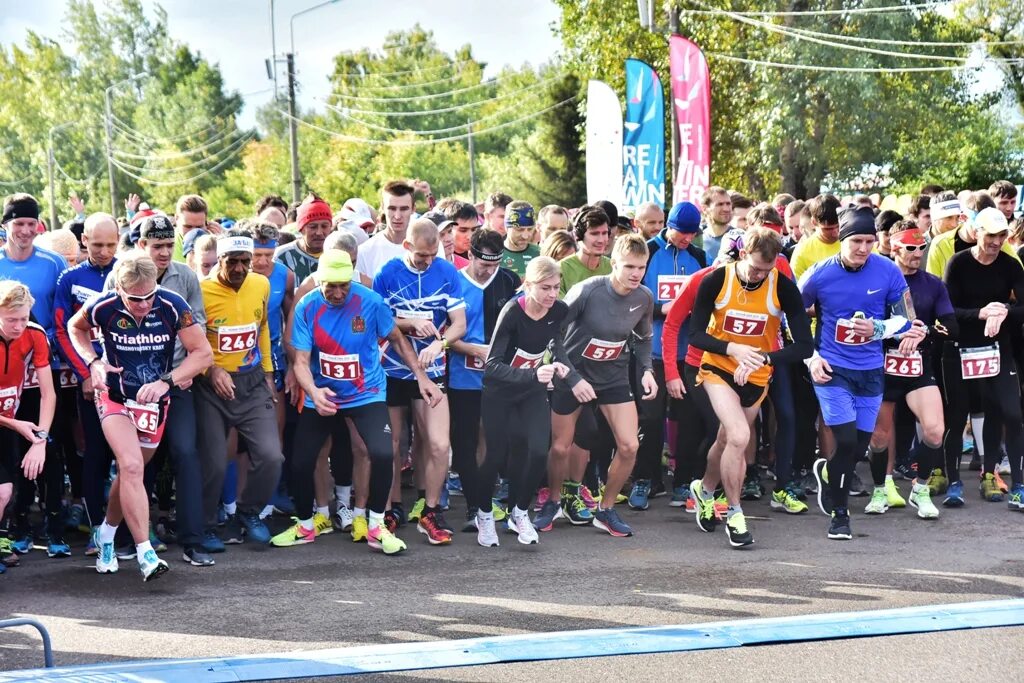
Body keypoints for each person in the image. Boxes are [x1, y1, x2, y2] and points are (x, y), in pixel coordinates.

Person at [276, 250, 440, 553]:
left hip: (366, 393)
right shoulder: (307, 306)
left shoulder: (370, 301)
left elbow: (397, 339)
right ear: (319, 281)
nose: (338, 293)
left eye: (344, 285)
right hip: (323, 394)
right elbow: (300, 360)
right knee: (300, 461)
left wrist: (421, 377)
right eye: (331, 287)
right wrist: (313, 392)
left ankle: (377, 525)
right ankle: (305, 524)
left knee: (381, 452)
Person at [69, 253, 212, 580]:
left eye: (149, 296)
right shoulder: (102, 306)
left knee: (131, 473)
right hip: (115, 396)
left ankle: (105, 534)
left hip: (154, 401)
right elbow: (75, 327)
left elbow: (202, 353)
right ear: (119, 289)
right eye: (136, 299)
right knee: (131, 466)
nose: (145, 304)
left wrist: (167, 381)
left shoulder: (173, 305)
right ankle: (145, 552)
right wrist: (93, 362)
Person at [800, 206, 925, 541]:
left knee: (857, 448)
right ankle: (840, 515)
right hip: (832, 368)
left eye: (870, 241)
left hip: (871, 370)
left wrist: (878, 328)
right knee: (843, 440)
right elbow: (791, 317)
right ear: (842, 240)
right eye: (857, 241)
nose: (864, 248)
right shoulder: (819, 274)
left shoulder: (887, 271)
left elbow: (905, 319)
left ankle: (828, 473)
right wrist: (810, 357)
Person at [687, 228, 813, 547]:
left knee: (726, 438)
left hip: (756, 374)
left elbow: (805, 347)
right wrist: (733, 349)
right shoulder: (717, 280)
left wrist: (764, 358)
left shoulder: (782, 286)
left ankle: (704, 489)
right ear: (743, 254)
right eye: (756, 267)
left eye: (767, 270)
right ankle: (735, 513)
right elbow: (695, 335)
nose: (760, 275)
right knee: (741, 436)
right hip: (719, 367)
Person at [538, 233, 656, 537]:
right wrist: (573, 378)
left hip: (613, 377)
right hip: (573, 374)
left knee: (630, 445)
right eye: (629, 266)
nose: (635, 274)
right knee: (561, 447)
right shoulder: (587, 291)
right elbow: (553, 334)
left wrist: (646, 370)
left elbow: (643, 338)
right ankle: (553, 501)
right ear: (613, 263)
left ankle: (605, 510)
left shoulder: (643, 297)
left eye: (641, 268)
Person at [373, 218, 466, 544]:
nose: (428, 261)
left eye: (433, 254)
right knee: (391, 445)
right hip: (391, 369)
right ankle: (391, 509)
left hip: (433, 369)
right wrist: (410, 322)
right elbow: (379, 320)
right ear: (407, 247)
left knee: (440, 444)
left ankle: (431, 511)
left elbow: (459, 323)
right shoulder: (387, 273)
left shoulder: (446, 271)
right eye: (422, 256)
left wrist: (440, 343)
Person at [195, 231, 284, 547]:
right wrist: (211, 369)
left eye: (245, 262)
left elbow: (262, 329)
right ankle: (205, 524)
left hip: (252, 381)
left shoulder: (260, 284)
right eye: (232, 262)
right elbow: (190, 340)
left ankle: (249, 512)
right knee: (215, 462)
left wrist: (269, 374)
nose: (239, 268)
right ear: (219, 260)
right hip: (211, 386)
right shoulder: (201, 291)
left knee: (272, 456)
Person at [480, 256, 574, 545]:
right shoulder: (512, 312)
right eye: (545, 288)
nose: (552, 294)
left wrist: (561, 364)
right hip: (500, 391)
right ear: (528, 285)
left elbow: (555, 341)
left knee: (537, 451)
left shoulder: (559, 310)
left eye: (556, 287)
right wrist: (534, 373)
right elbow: (492, 365)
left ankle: (519, 512)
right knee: (496, 455)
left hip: (532, 389)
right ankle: (484, 515)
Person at [866, 221, 956, 519]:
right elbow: (862, 324)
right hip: (883, 366)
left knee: (934, 431)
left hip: (919, 367)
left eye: (922, 247)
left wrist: (924, 332)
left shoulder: (933, 284)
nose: (918, 253)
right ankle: (880, 488)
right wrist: (895, 334)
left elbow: (950, 326)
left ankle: (920, 490)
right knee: (879, 437)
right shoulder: (878, 281)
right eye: (910, 248)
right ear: (894, 248)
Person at [941, 207, 1024, 509]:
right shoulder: (958, 263)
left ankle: (1011, 481)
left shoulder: (1010, 264)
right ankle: (953, 481)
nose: (996, 242)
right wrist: (980, 313)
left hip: (997, 348)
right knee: (957, 414)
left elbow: (1022, 307)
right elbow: (947, 310)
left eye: (1002, 235)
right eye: (991, 236)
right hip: (961, 347)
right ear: (977, 233)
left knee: (1009, 412)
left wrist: (1003, 311)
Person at [446, 229, 521, 546]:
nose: (490, 270)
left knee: (494, 439)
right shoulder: (454, 282)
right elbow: (445, 333)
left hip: (499, 378)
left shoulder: (509, 281)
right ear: (471, 255)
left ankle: (493, 501)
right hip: (462, 377)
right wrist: (473, 350)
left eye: (496, 263)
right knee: (463, 442)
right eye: (484, 263)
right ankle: (475, 505)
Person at [629, 201, 706, 510]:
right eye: (681, 233)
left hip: (688, 352)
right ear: (667, 226)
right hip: (653, 350)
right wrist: (665, 309)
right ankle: (645, 479)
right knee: (649, 417)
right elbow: (633, 294)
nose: (686, 239)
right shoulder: (647, 252)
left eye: (691, 234)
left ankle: (684, 481)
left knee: (689, 418)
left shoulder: (699, 256)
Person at [0, 282, 55, 572]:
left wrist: (40, 441)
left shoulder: (34, 335)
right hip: (10, 421)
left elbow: (49, 394)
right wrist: (18, 425)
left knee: (5, 492)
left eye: (24, 318)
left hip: (9, 421)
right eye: (11, 319)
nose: (19, 325)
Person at [357, 181, 442, 280]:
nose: (397, 216)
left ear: (413, 209)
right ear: (383, 208)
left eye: (403, 209)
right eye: (392, 209)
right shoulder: (364, 252)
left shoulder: (433, 247)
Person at [274, 194, 333, 283]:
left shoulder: (340, 254)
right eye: (313, 227)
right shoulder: (282, 257)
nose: (319, 233)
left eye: (324, 226)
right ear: (301, 229)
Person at [558, 206, 611, 297]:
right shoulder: (560, 269)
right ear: (578, 235)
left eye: (604, 233)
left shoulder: (613, 267)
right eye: (594, 234)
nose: (601, 240)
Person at [790, 194, 841, 281]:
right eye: (828, 229)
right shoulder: (802, 252)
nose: (835, 233)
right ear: (814, 222)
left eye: (838, 226)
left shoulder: (855, 242)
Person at [500, 201, 540, 278]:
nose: (525, 236)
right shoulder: (494, 254)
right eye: (519, 230)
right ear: (506, 227)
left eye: (530, 229)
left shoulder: (540, 253)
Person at [173, 194, 212, 263]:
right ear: (176, 219)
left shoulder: (217, 244)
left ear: (206, 223)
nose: (193, 232)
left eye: (199, 227)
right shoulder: (166, 246)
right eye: (188, 226)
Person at [699, 186, 733, 263]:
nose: (726, 209)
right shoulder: (697, 239)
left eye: (728, 204)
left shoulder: (739, 238)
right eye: (720, 204)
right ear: (705, 209)